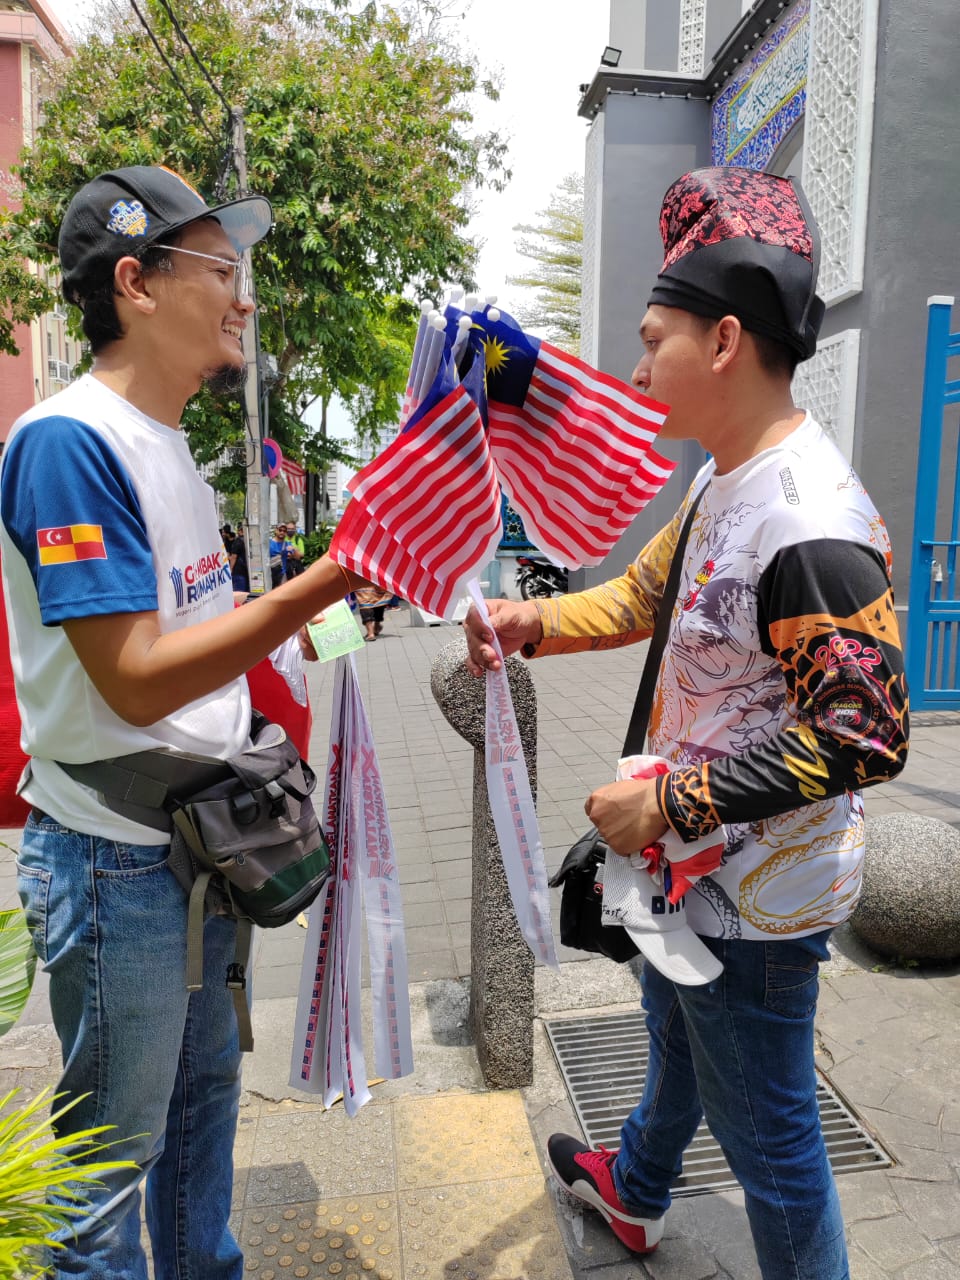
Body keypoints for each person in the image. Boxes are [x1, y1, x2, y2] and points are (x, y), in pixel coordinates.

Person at [464, 167, 909, 1280]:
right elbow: (639, 596)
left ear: (723, 342)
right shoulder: (722, 482)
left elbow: (865, 733)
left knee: (775, 1145)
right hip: (691, 876)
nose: (635, 366)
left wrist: (667, 801)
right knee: (671, 1028)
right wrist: (531, 620)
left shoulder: (806, 522)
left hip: (759, 901)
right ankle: (637, 1188)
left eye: (653, 339)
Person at [0, 164, 368, 1279]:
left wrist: (335, 620)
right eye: (219, 267)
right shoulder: (70, 445)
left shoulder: (165, 445)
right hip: (118, 862)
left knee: (204, 1098)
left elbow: (215, 631)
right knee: (109, 1165)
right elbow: (136, 680)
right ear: (137, 283)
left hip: (194, 846)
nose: (241, 295)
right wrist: (325, 578)